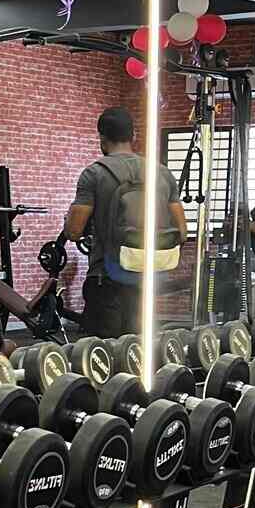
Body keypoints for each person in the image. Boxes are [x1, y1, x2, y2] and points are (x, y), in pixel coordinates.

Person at [57, 107, 188, 338]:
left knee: (101, 352)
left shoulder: (94, 174)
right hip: (149, 278)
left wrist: (71, 219)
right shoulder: (162, 173)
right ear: (133, 135)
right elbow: (182, 232)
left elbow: (74, 232)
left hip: (107, 278)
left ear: (102, 137)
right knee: (140, 348)